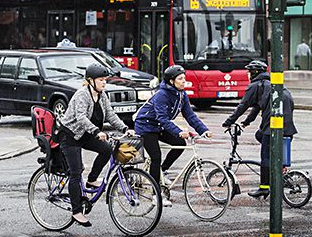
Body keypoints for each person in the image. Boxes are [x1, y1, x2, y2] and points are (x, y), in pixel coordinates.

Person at [59, 63, 133, 227]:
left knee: (107, 149)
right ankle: (77, 212)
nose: (104, 83)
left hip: (85, 134)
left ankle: (92, 179)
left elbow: (111, 115)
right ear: (90, 80)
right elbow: (81, 117)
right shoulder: (82, 95)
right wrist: (95, 131)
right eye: (101, 80)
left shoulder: (102, 95)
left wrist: (125, 128)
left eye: (105, 80)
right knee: (76, 173)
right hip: (70, 136)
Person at [134, 65, 212, 206]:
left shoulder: (182, 95)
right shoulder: (162, 95)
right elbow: (162, 118)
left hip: (160, 127)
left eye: (184, 78)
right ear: (171, 81)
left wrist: (203, 130)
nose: (184, 81)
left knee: (180, 144)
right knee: (155, 156)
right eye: (180, 78)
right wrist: (178, 131)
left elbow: (190, 115)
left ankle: (163, 170)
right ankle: (156, 195)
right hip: (146, 126)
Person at [222, 60, 297, 198]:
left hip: (274, 125)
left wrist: (228, 122)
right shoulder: (269, 84)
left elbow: (243, 105)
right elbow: (256, 107)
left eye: (249, 72)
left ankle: (264, 187)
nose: (247, 75)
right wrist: (246, 122)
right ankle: (278, 168)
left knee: (265, 156)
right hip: (286, 124)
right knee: (259, 136)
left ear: (254, 73)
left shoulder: (255, 85)